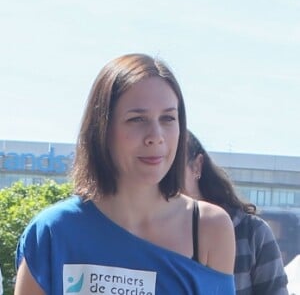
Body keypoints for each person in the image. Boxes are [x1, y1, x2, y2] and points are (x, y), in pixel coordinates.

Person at [14, 53, 236, 294]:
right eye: (137, 119)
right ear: (102, 129)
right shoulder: (52, 232)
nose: (156, 135)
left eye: (168, 118)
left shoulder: (210, 228)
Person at [185, 130, 289, 295]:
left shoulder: (252, 232)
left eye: (172, 166)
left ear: (197, 165)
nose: (163, 179)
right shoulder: (149, 233)